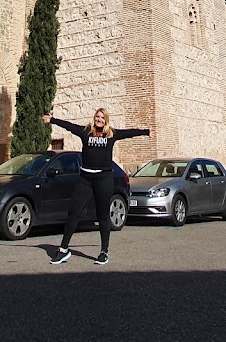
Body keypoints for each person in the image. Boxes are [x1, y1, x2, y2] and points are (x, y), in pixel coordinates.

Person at [42, 108, 149, 266]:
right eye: (97, 117)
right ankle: (63, 250)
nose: (99, 120)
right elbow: (69, 126)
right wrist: (52, 120)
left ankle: (104, 251)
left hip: (104, 178)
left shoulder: (111, 134)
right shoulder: (86, 132)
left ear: (106, 120)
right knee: (74, 212)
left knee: (103, 215)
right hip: (85, 178)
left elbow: (129, 133)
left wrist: (146, 132)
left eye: (102, 118)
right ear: (94, 118)